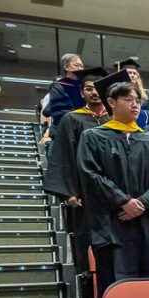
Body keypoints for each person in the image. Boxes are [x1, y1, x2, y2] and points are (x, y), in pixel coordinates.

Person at [76, 71, 149, 298]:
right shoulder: (93, 136)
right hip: (112, 224)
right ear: (111, 102)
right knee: (118, 286)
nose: (134, 105)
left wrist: (143, 203)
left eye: (137, 101)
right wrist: (123, 201)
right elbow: (90, 174)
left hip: (147, 223)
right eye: (128, 100)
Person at [42, 66, 109, 280]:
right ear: (81, 93)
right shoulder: (72, 120)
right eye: (88, 88)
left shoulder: (114, 121)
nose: (94, 92)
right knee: (86, 245)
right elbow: (64, 157)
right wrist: (69, 192)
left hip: (111, 197)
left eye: (98, 88)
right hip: (84, 196)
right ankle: (89, 296)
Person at [45, 53, 85, 127]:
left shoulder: (84, 86)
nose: (80, 68)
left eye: (81, 66)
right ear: (66, 67)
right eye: (76, 65)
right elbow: (59, 109)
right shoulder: (59, 85)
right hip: (65, 126)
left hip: (83, 125)